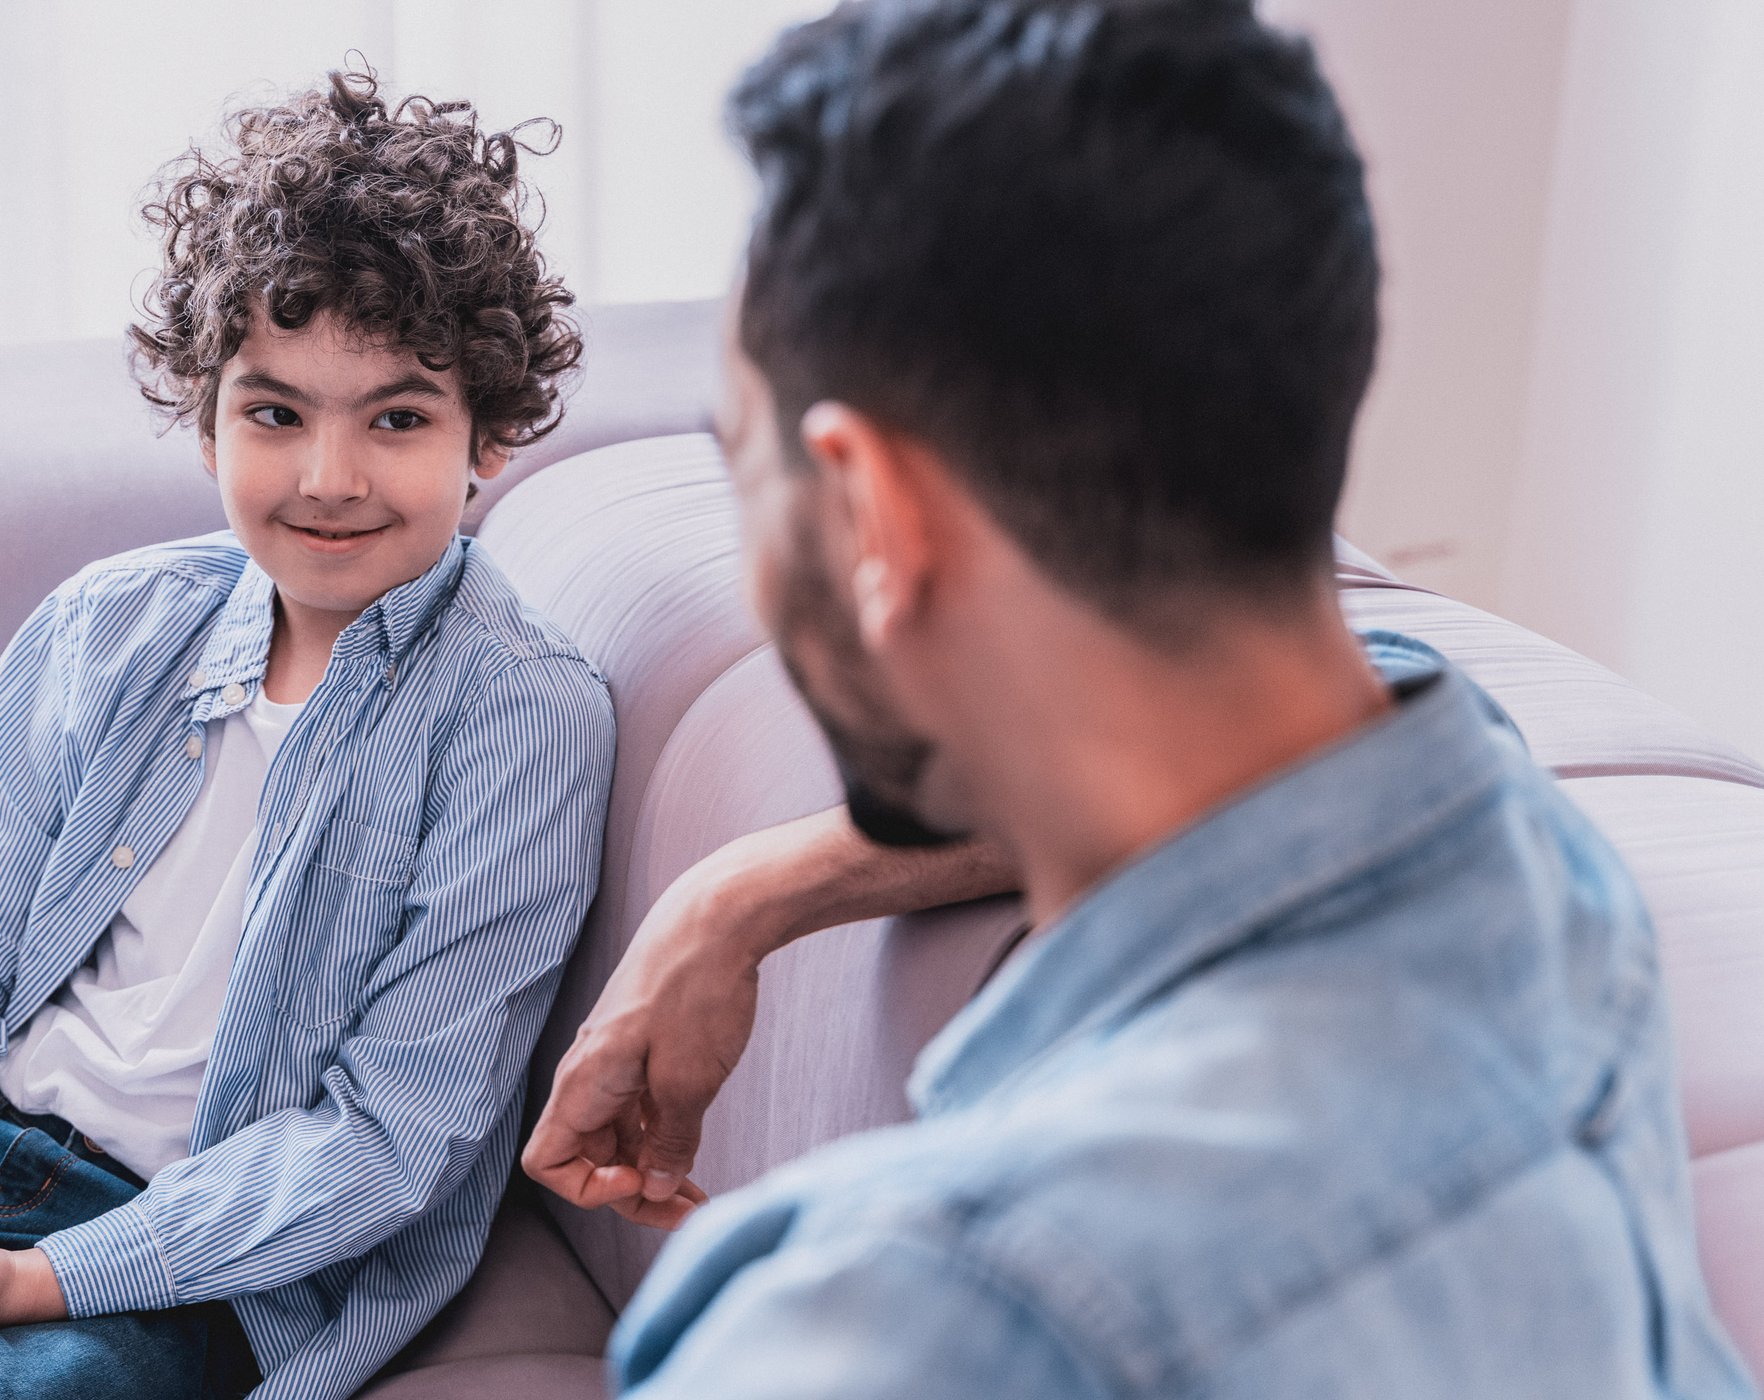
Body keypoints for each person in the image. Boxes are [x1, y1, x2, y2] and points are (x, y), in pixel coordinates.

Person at [529, 1, 1758, 1395]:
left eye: (740, 465)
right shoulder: (1537, 882)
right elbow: (1398, 687)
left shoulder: (911, 1321)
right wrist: (741, 894)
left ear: (876, 513)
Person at [0, 67, 613, 1400]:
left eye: (397, 418)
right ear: (206, 411)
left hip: (192, 1262)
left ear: (490, 438)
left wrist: (37, 1279)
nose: (328, 479)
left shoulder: (523, 717)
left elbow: (393, 1138)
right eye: (274, 413)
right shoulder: (106, 628)